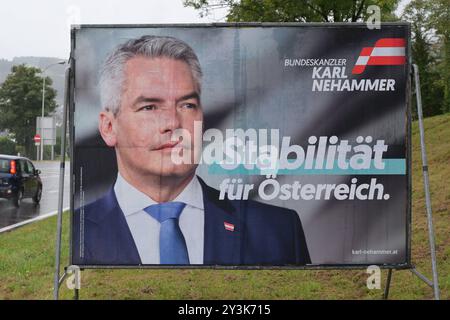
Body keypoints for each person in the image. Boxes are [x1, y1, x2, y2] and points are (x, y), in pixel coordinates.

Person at [72, 35, 310, 266]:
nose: (173, 123)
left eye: (187, 105)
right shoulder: (74, 235)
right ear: (109, 127)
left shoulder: (278, 230)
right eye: (149, 107)